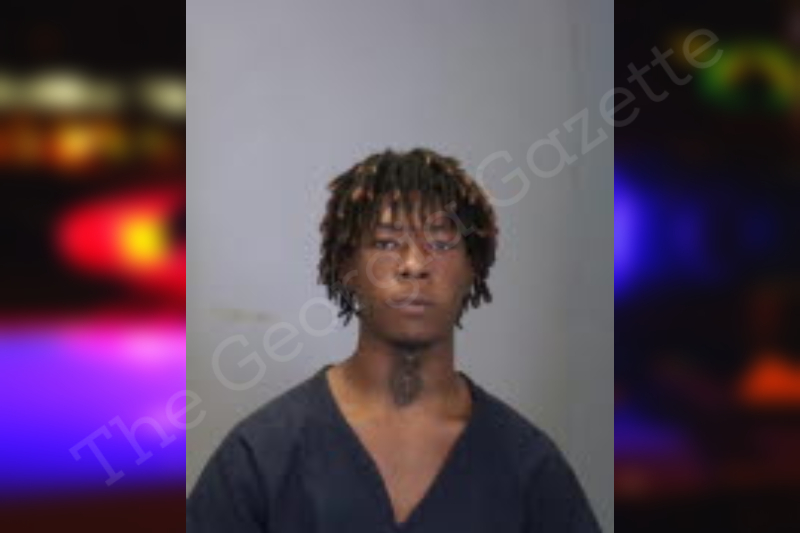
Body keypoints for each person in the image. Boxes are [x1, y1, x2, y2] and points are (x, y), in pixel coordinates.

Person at [187, 147, 602, 532]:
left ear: (473, 269)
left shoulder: (528, 465)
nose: (414, 265)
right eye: (386, 242)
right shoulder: (262, 454)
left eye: (440, 242)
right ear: (346, 268)